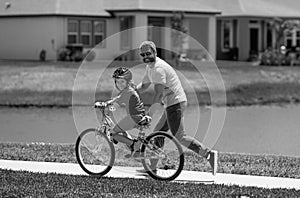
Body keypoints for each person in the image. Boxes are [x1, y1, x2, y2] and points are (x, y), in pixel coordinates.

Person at [136, 41, 218, 175]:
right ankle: (152, 168)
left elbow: (158, 93)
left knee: (179, 136)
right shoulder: (150, 67)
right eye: (143, 54)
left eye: (148, 53)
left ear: (155, 53)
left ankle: (208, 154)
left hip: (175, 103)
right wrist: (133, 91)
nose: (145, 56)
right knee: (158, 133)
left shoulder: (158, 68)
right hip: (171, 103)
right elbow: (144, 85)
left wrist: (149, 114)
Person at [95, 67, 147, 156]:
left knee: (112, 134)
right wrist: (110, 110)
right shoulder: (128, 90)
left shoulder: (128, 91)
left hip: (133, 118)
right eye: (117, 82)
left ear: (128, 81)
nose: (120, 84)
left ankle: (133, 145)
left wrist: (104, 104)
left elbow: (116, 100)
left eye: (122, 81)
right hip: (138, 116)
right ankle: (135, 150)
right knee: (122, 130)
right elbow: (117, 103)